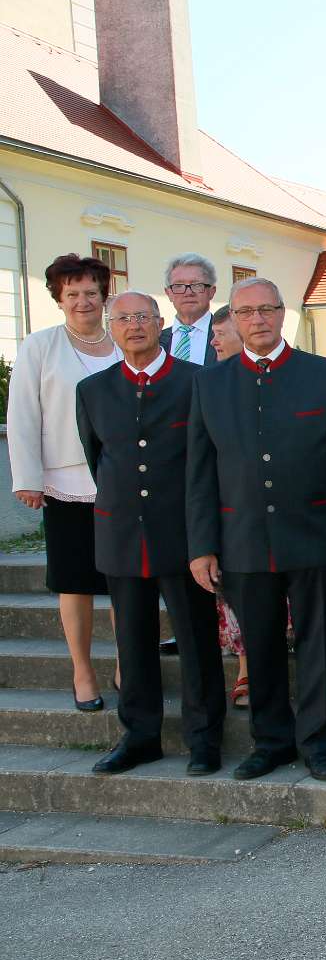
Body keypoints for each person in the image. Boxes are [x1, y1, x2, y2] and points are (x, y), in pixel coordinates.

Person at [187, 277, 326, 782]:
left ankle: (320, 744)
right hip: (240, 539)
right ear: (234, 321)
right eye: (246, 312)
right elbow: (199, 472)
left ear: (283, 313)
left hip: (313, 533)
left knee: (319, 647)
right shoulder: (210, 382)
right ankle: (272, 743)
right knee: (258, 646)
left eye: (266, 309)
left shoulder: (322, 374)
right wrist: (202, 546)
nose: (257, 320)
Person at [77, 291, 225, 775]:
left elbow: (207, 461)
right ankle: (139, 736)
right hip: (121, 534)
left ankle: (204, 739)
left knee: (196, 640)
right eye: (122, 318)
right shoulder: (94, 390)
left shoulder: (195, 381)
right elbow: (100, 458)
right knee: (132, 642)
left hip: (181, 534)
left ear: (160, 323)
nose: (133, 326)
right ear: (111, 326)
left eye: (143, 317)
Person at [8, 253, 118, 712]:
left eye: (90, 292)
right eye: (72, 293)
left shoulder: (125, 341)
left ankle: (125, 666)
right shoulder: (41, 346)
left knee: (124, 580)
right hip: (64, 479)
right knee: (75, 581)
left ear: (103, 295)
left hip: (122, 480)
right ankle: (82, 671)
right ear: (59, 298)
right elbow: (22, 415)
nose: (82, 301)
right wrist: (27, 477)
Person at [206, 305, 251, 708]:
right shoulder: (209, 384)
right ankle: (244, 665)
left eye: (221, 333)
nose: (214, 341)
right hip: (227, 509)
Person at [162, 253, 218, 366]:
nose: (188, 292)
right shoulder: (156, 340)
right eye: (179, 285)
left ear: (212, 292)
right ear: (168, 293)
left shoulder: (230, 337)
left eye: (197, 285)